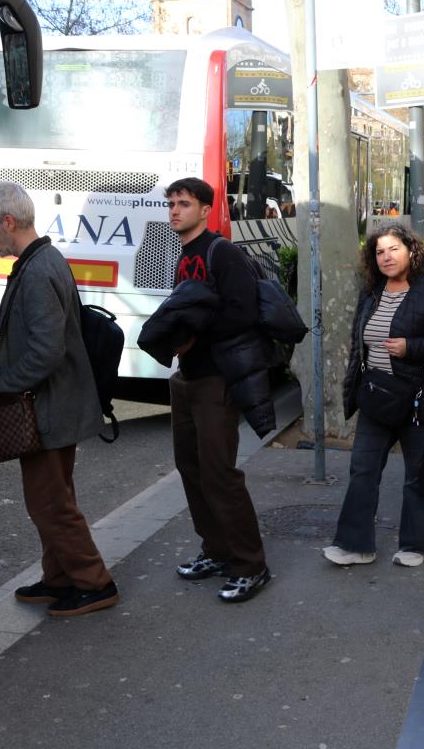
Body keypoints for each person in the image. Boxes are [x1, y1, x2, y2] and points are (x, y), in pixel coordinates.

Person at [0, 181, 118, 618]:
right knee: (54, 498)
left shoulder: (37, 270)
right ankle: (59, 578)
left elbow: (47, 350)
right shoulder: (42, 260)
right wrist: (1, 318)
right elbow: (46, 328)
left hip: (47, 409)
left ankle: (95, 583)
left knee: (50, 505)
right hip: (53, 405)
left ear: (8, 221)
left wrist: (6, 386)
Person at [163, 177, 272, 603]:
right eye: (171, 203)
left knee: (219, 474)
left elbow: (244, 313)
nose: (175, 210)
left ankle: (251, 565)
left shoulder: (221, 252)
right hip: (186, 378)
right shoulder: (184, 254)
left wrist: (195, 338)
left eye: (184, 203)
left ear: (206, 210)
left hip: (216, 379)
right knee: (191, 469)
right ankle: (216, 550)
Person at [327, 225, 424, 567]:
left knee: (417, 474)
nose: (386, 257)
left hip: (417, 399)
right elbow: (359, 343)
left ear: (412, 250)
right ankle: (355, 545)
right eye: (379, 252)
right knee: (363, 469)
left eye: (394, 249)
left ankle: (417, 545)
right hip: (376, 396)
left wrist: (411, 347)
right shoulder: (371, 291)